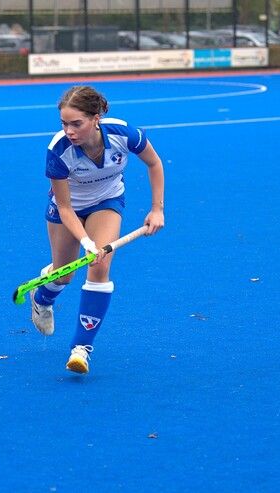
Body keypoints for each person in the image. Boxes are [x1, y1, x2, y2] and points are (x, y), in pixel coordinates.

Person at [30, 85, 165, 375]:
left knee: (99, 267)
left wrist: (157, 209)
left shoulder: (124, 133)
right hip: (67, 210)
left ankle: (81, 349)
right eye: (64, 124)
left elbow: (154, 163)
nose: (69, 131)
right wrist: (85, 241)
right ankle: (42, 297)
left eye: (76, 123)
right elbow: (65, 208)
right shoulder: (58, 151)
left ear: (96, 118)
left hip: (107, 201)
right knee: (64, 274)